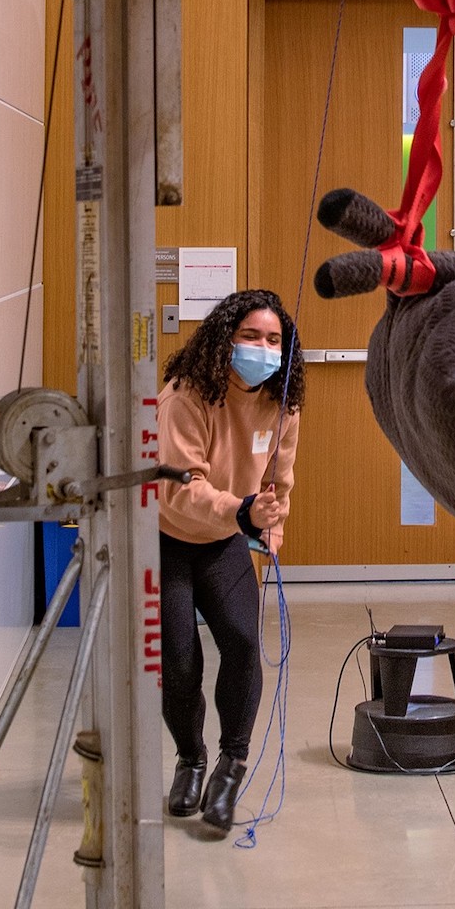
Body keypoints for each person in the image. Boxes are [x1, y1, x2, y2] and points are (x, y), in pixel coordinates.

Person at [155, 288, 304, 833]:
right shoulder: (185, 397)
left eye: (273, 339)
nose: (263, 348)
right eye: (250, 336)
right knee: (179, 661)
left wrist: (274, 518)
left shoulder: (282, 400)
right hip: (166, 537)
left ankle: (229, 769)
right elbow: (178, 489)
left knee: (243, 642)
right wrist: (242, 511)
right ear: (225, 338)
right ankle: (190, 759)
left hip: (225, 538)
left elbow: (278, 477)